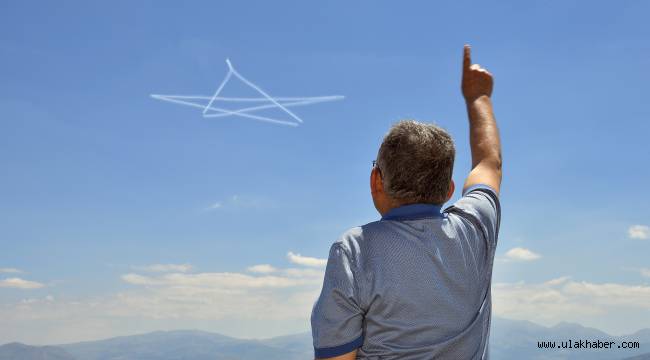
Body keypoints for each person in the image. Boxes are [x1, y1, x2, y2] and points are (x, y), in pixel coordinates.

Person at [310, 44, 502, 360]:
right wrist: (479, 98)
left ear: (376, 181)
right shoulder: (476, 228)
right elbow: (489, 163)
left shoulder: (354, 251)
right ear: (449, 189)